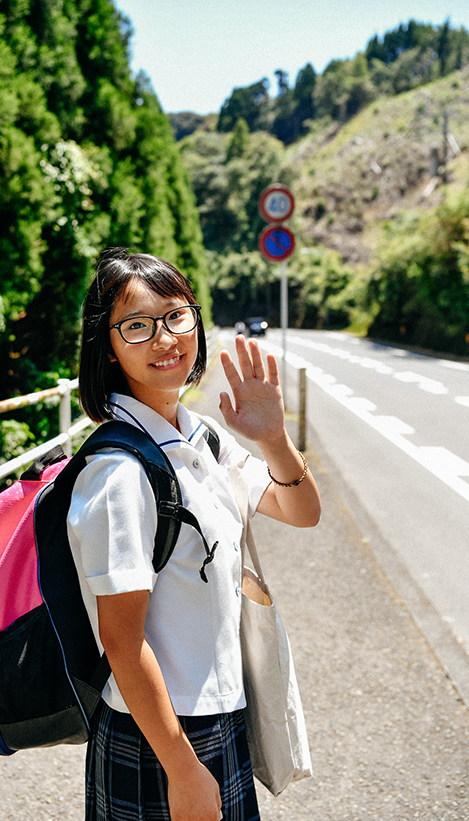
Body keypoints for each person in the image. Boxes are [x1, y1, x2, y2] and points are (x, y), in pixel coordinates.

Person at [67, 248, 321, 821]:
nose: (164, 338)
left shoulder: (197, 435)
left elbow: (301, 510)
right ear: (107, 346)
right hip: (159, 733)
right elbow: (122, 640)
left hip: (219, 713)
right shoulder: (120, 473)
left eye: (177, 316)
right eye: (137, 325)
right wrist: (181, 769)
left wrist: (274, 438)